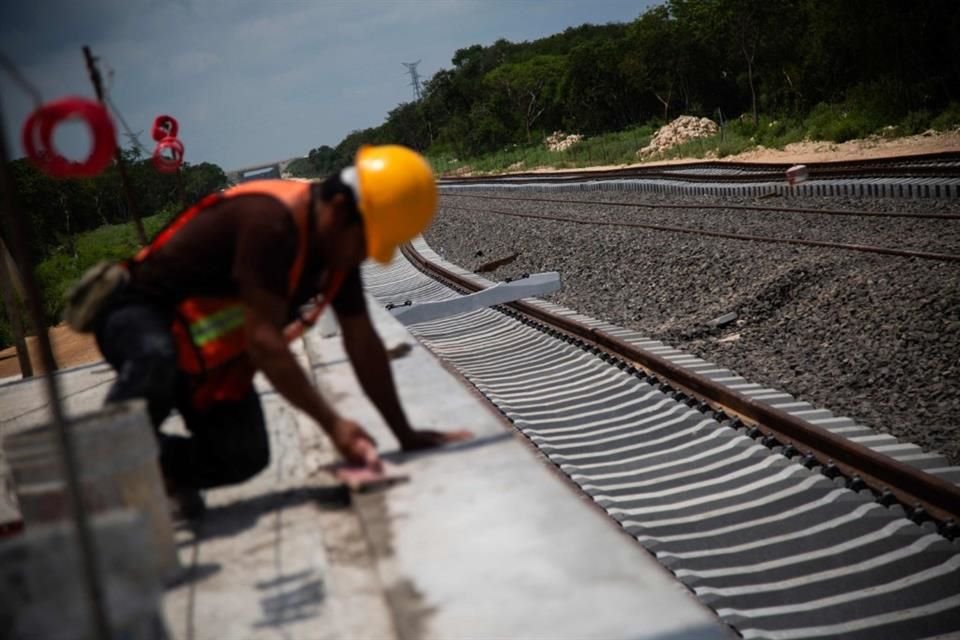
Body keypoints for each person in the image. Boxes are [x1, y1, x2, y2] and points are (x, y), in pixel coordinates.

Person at [90, 145, 469, 516]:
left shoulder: (336, 248)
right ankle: (105, 457)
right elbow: (263, 343)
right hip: (135, 315)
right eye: (365, 245)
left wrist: (404, 433)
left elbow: (362, 339)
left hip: (202, 351)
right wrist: (334, 425)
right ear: (339, 212)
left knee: (244, 454)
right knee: (155, 358)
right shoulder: (271, 223)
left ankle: (158, 473)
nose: (364, 256)